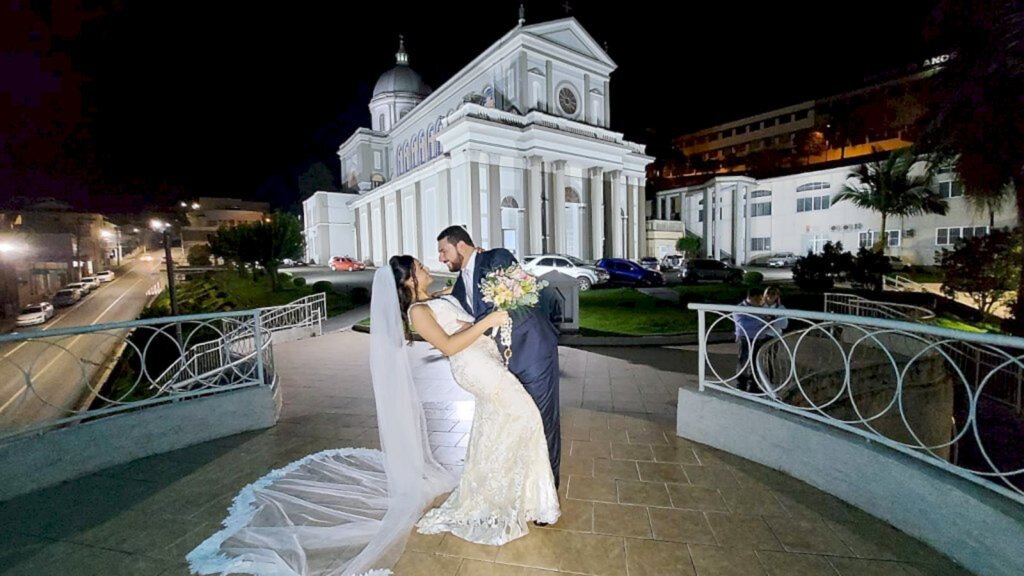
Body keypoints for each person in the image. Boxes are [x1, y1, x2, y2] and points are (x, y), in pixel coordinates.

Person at [436, 225, 562, 490]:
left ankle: (547, 491)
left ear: (461, 246)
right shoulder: (459, 285)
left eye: (443, 251)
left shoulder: (497, 258)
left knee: (542, 420)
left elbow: (506, 301)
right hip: (500, 362)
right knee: (519, 421)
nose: (441, 258)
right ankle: (524, 486)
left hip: (532, 350)